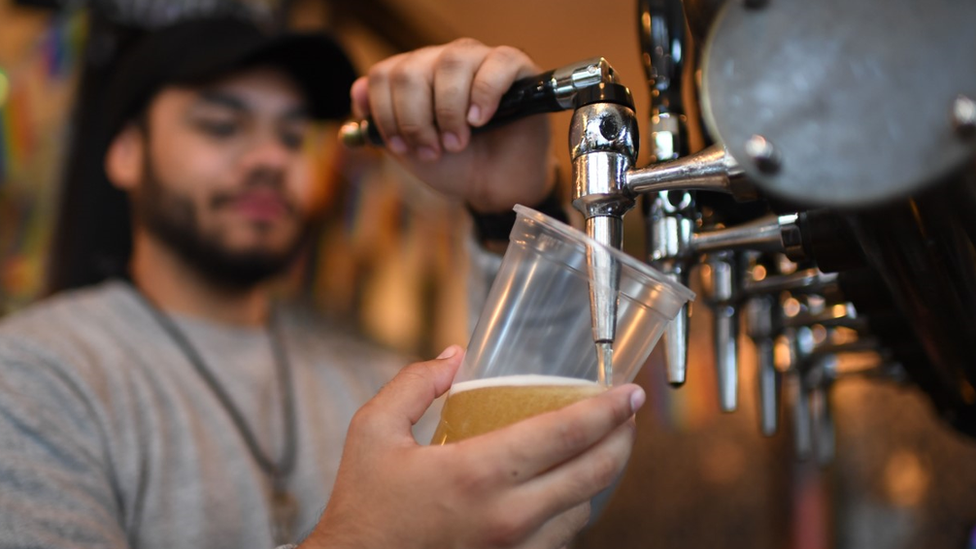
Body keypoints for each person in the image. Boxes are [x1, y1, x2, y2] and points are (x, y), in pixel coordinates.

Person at [0, 14, 643, 549]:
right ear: (126, 152)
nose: (270, 159)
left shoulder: (370, 380)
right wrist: (361, 537)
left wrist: (509, 209)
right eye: (221, 125)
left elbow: (565, 478)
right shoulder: (33, 373)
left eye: (291, 135)